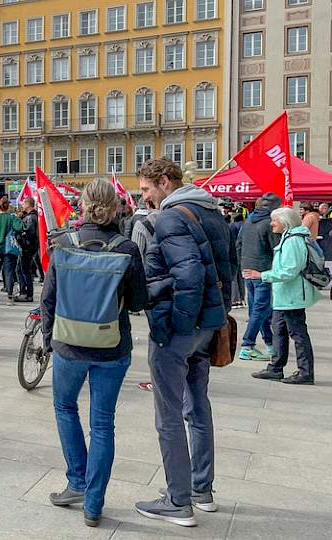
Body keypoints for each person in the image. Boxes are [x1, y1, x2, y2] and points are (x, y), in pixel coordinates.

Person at [135, 157, 235, 527]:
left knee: (169, 415)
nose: (144, 197)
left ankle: (178, 501)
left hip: (182, 328)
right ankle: (200, 488)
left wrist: (175, 325)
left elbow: (189, 274)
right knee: (198, 406)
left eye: (146, 189)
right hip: (209, 323)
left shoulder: (173, 215)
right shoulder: (212, 210)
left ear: (164, 181)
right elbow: (228, 267)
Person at [41, 179, 148, 528]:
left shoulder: (62, 244)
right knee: (103, 423)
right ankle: (94, 502)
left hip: (69, 344)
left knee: (64, 408)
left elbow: (48, 300)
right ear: (116, 209)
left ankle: (77, 481)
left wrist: (48, 340)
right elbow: (137, 303)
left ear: (82, 206)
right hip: (112, 347)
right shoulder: (127, 248)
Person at [248, 207, 320, 385]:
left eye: (274, 220)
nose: (272, 223)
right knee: (279, 331)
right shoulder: (291, 237)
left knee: (297, 334)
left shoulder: (293, 240)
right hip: (285, 296)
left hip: (292, 296)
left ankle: (305, 373)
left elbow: (289, 271)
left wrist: (262, 275)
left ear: (285, 221)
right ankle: (276, 368)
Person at [237, 193, 281, 361]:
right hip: (262, 271)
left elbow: (238, 244)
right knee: (261, 309)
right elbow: (276, 248)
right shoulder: (268, 224)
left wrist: (243, 265)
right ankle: (247, 345)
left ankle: (269, 343)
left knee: (257, 309)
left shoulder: (249, 221)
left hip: (247, 269)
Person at [14, 196, 39, 302]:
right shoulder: (33, 217)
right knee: (22, 270)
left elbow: (28, 234)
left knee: (23, 270)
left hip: (27, 248)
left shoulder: (30, 218)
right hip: (29, 247)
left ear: (28, 204)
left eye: (24, 203)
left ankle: (26, 293)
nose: (22, 206)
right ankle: (25, 292)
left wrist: (18, 233)